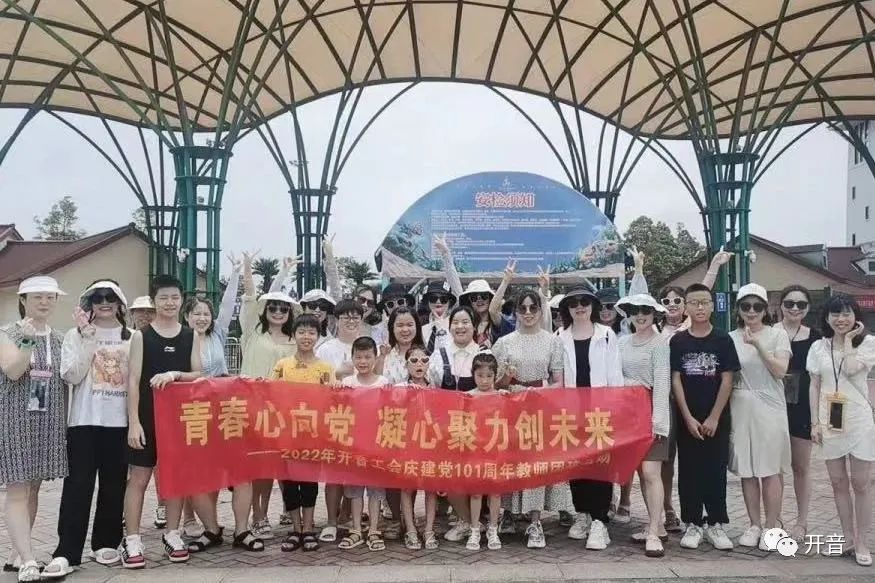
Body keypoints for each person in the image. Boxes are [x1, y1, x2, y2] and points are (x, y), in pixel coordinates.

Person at [43, 281, 132, 579]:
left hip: (119, 422)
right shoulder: (75, 335)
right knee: (78, 486)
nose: (104, 302)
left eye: (110, 297)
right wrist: (88, 339)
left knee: (114, 485)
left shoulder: (132, 337)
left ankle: (106, 542)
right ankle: (67, 551)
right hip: (83, 421)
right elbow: (71, 375)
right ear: (88, 303)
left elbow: (136, 381)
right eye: (97, 297)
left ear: (120, 302)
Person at [121, 275, 204, 568]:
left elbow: (198, 374)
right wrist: (134, 422)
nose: (170, 303)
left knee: (174, 478)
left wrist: (175, 375)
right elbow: (133, 381)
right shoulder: (141, 336)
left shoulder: (190, 335)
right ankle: (132, 539)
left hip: (178, 420)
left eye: (175, 297)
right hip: (147, 417)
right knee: (139, 479)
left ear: (182, 300)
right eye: (163, 298)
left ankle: (172, 533)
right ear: (154, 301)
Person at [181, 254, 256, 555]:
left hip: (225, 409)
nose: (202, 318)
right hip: (193, 414)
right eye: (196, 313)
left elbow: (227, 307)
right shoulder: (180, 341)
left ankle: (242, 530)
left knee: (241, 473)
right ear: (186, 317)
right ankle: (211, 529)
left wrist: (235, 274)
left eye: (205, 314)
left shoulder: (219, 334)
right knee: (198, 476)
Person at [654, 248, 733, 533]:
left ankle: (711, 520)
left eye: (678, 300)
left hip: (691, 402)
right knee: (666, 460)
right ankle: (668, 509)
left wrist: (715, 266)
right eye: (667, 301)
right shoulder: (654, 330)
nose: (673, 305)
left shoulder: (691, 328)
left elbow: (702, 292)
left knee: (700, 461)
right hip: (663, 402)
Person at [0, 276, 68, 582]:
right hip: (15, 419)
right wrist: (27, 342)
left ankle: (18, 552)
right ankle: (28, 560)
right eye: (38, 296)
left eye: (50, 297)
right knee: (18, 488)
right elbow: (14, 371)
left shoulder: (60, 338)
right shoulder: (7, 333)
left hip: (47, 420)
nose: (44, 302)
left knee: (34, 487)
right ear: (23, 300)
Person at [492, 291, 566, 549]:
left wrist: (537, 392)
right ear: (515, 312)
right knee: (510, 461)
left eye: (533, 307)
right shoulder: (504, 343)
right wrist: (507, 380)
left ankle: (535, 521)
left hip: (540, 406)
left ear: (540, 310)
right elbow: (494, 381)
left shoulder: (552, 342)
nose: (527, 313)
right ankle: (508, 513)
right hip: (510, 405)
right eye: (522, 308)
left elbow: (559, 382)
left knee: (535, 464)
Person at [670, 283, 739, 552]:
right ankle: (693, 523)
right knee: (689, 470)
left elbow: (728, 380)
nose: (699, 307)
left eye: (704, 302)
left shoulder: (723, 340)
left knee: (715, 470)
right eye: (694, 302)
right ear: (686, 307)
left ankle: (715, 523)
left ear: (712, 306)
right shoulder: (678, 341)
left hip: (716, 418)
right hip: (687, 418)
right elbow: (676, 379)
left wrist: (714, 417)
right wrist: (687, 417)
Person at [807, 294, 874, 567]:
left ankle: (862, 541)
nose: (841, 319)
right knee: (838, 482)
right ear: (826, 317)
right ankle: (847, 538)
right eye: (835, 314)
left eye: (846, 313)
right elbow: (814, 385)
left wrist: (848, 341)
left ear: (856, 316)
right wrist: (814, 422)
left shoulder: (868, 343)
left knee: (861, 483)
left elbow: (851, 368)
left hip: (859, 421)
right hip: (830, 420)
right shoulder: (818, 347)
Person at [556, 286, 623, 550]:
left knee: (600, 465)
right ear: (567, 309)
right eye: (573, 304)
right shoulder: (559, 336)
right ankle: (582, 513)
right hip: (570, 412)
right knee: (577, 465)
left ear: (592, 305)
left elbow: (615, 375)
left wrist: (615, 410)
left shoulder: (606, 335)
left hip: (600, 411)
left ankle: (599, 521)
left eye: (584, 302)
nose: (579, 307)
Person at [240, 251, 299, 541]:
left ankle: (289, 510)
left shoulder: (295, 339)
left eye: (283, 308)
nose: (277, 312)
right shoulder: (253, 332)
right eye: (273, 307)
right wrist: (247, 269)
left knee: (284, 463)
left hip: (285, 411)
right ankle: (258, 515)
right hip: (253, 408)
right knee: (260, 465)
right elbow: (251, 297)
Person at [728, 283, 791, 551]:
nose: (751, 311)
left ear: (765, 309)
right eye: (746, 306)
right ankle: (754, 524)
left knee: (770, 469)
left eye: (757, 306)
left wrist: (757, 345)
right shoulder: (730, 337)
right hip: (741, 404)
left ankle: (772, 526)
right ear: (738, 309)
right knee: (748, 469)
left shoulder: (777, 335)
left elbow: (780, 370)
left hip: (770, 405)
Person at [272, 314, 335, 553]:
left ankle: (308, 529)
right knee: (289, 483)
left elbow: (333, 400)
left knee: (309, 483)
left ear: (318, 336)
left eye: (311, 332)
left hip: (313, 434)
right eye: (301, 332)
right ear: (294, 335)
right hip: (287, 433)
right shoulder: (282, 366)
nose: (306, 337)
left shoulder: (325, 369)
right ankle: (295, 529)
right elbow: (269, 393)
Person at [615, 294, 671, 558]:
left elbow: (662, 383)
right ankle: (655, 525)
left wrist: (658, 423)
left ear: (654, 314)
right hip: (627, 413)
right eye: (636, 311)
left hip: (651, 411)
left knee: (651, 472)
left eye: (646, 311)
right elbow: (614, 376)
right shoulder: (622, 342)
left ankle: (653, 532)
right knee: (638, 471)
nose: (640, 316)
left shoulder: (660, 344)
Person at [313, 299, 364, 542]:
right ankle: (331, 521)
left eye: (356, 317)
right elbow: (317, 382)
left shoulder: (367, 345)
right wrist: (339, 374)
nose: (351, 321)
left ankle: (347, 516)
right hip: (334, 417)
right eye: (346, 317)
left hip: (362, 418)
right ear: (336, 320)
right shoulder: (326, 349)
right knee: (334, 473)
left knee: (355, 472)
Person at [774, 285, 821, 543]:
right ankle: (776, 518)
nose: (794, 308)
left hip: (802, 407)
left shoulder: (816, 338)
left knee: (801, 467)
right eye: (789, 303)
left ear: (808, 308)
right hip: (772, 406)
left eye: (800, 304)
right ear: (781, 305)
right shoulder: (769, 333)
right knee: (775, 467)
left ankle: (801, 522)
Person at [338, 337, 390, 552]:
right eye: (358, 357)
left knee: (376, 491)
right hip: (354, 446)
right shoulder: (347, 383)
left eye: (367, 357)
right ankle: (356, 530)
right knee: (355, 491)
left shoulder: (383, 383)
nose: (363, 361)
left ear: (375, 358)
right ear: (352, 358)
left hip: (376, 446)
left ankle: (375, 529)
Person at [395, 345, 438, 550]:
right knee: (407, 487)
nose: (419, 364)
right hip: (408, 444)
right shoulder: (399, 388)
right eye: (414, 360)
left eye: (424, 360)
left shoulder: (436, 388)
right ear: (406, 364)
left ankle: (429, 529)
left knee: (431, 488)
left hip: (430, 444)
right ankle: (411, 529)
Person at [465, 351, 508, 551]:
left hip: (495, 451)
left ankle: (493, 529)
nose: (484, 380)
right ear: (473, 375)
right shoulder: (468, 396)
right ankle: (474, 529)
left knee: (495, 493)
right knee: (475, 493)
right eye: (480, 375)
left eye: (489, 376)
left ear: (495, 376)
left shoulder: (501, 396)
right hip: (475, 451)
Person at [378, 307, 425, 385]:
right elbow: (374, 381)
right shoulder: (382, 353)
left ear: (417, 327)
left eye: (409, 325)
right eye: (400, 325)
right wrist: (382, 356)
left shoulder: (426, 355)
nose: (405, 329)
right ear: (392, 328)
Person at [420, 281, 456, 354]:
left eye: (443, 299)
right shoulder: (421, 323)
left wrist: (441, 325)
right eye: (433, 298)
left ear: (449, 302)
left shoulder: (456, 323)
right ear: (427, 302)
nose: (438, 302)